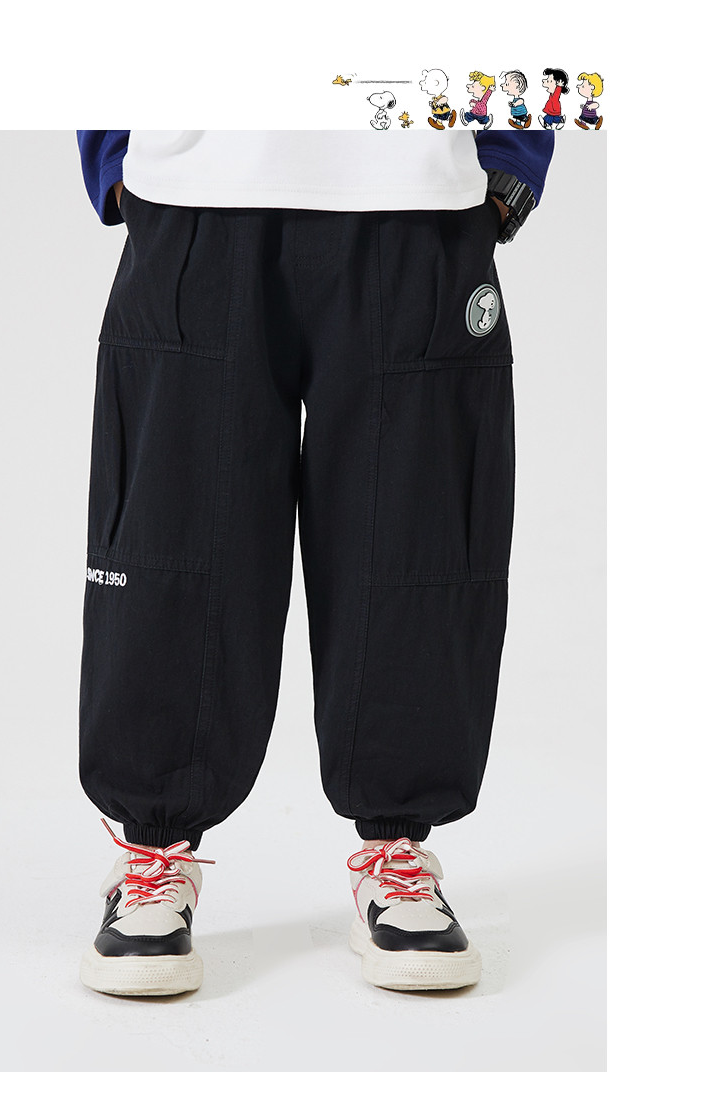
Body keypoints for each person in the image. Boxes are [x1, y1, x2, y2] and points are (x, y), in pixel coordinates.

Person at [75, 128, 554, 996]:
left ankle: (397, 852)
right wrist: (112, 156)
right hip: (197, 190)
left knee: (416, 542)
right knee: (172, 543)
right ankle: (152, 851)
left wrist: (513, 168)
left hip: (417, 196)